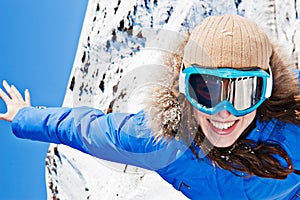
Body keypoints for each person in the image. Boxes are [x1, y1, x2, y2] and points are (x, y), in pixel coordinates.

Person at [1, 14, 300, 199]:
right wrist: (24, 116)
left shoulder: (293, 126)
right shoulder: (160, 142)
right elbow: (86, 129)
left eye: (243, 92)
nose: (224, 111)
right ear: (185, 88)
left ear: (267, 91)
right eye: (206, 90)